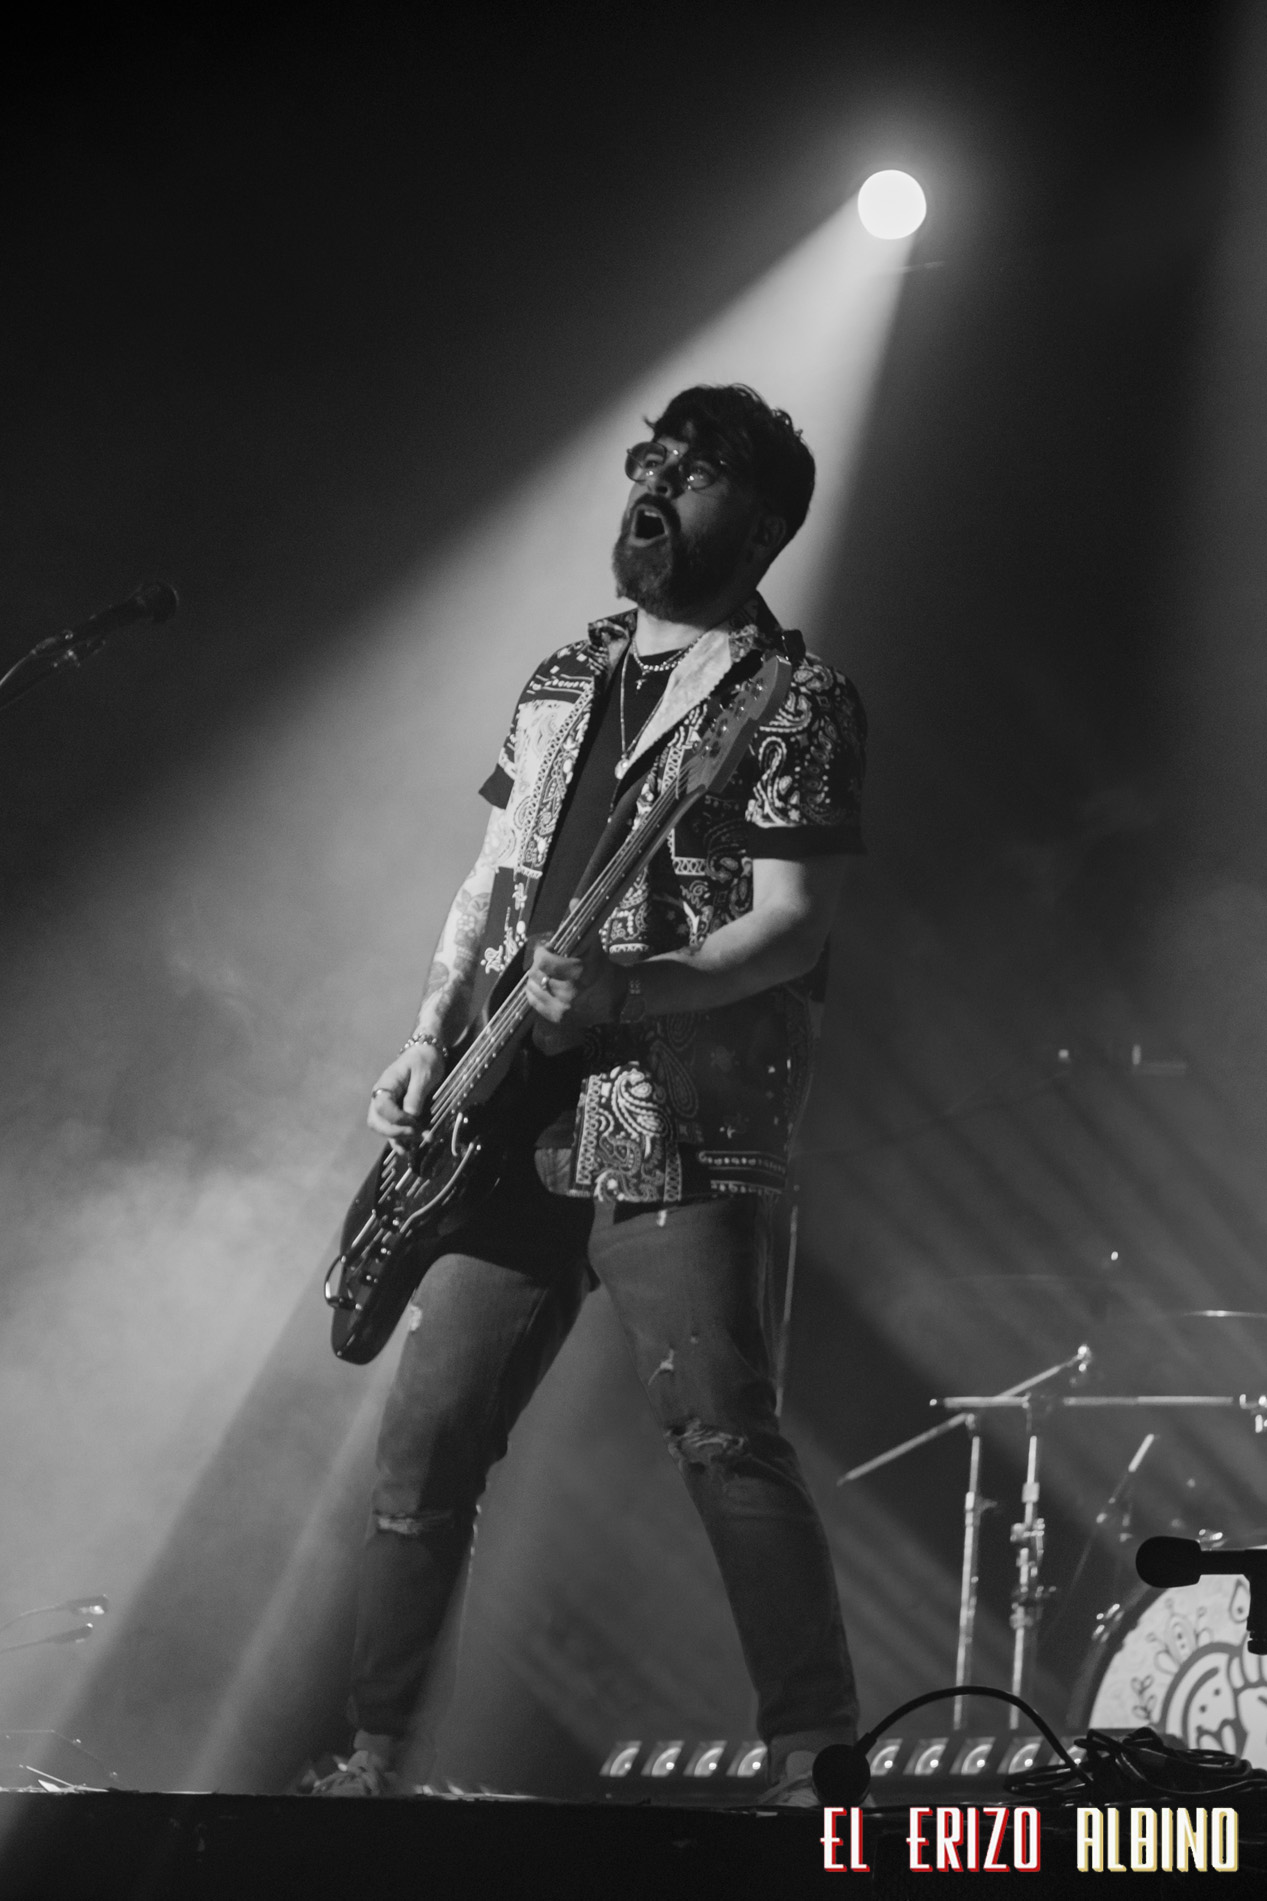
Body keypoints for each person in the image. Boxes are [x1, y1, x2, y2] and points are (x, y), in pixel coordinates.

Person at [314, 383, 867, 1803]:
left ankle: (815, 1763)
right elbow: (491, 876)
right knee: (426, 1445)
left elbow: (794, 925)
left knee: (725, 1434)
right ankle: (377, 1763)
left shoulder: (794, 700)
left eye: (696, 474)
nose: (656, 487)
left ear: (763, 526)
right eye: (653, 460)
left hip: (673, 1116)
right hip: (504, 1111)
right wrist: (429, 1034)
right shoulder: (565, 673)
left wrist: (636, 992)